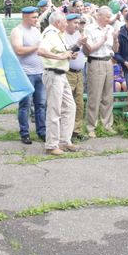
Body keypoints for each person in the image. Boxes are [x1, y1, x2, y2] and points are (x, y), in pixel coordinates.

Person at [39, 11, 78, 155]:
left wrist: (69, 55)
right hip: (53, 74)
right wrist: (60, 56)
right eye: (65, 22)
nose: (66, 24)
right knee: (54, 110)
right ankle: (51, 145)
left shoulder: (59, 35)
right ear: (57, 23)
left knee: (70, 106)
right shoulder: (50, 33)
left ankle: (64, 140)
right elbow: (41, 50)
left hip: (61, 74)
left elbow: (61, 53)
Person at [10, 6, 47, 144]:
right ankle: (24, 133)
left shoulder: (36, 30)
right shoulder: (17, 31)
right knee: (25, 105)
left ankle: (42, 131)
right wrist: (36, 46)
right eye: (34, 17)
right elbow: (19, 50)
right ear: (25, 17)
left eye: (37, 17)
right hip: (26, 73)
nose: (37, 19)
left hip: (40, 72)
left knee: (41, 104)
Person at [83, 6, 118, 137]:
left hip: (108, 61)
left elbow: (115, 49)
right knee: (95, 96)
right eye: (107, 17)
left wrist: (115, 39)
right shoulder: (89, 29)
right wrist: (102, 40)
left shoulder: (110, 29)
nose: (109, 19)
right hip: (95, 61)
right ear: (100, 16)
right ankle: (91, 127)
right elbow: (89, 49)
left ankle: (107, 124)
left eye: (110, 17)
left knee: (108, 96)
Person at [62, 13, 87, 139]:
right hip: (68, 72)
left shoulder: (79, 34)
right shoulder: (62, 35)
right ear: (67, 23)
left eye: (78, 23)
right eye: (75, 23)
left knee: (79, 103)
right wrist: (77, 45)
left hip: (79, 73)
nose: (77, 25)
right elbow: (65, 52)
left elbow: (85, 52)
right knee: (67, 104)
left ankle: (76, 130)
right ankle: (65, 131)